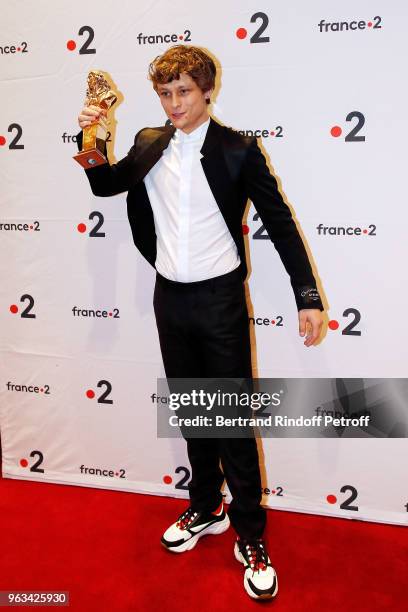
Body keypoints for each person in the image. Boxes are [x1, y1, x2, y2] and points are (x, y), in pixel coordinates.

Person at [76, 45, 324, 600]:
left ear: (206, 90)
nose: (173, 105)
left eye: (183, 92)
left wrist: (307, 296)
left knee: (233, 421)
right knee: (192, 412)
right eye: (164, 95)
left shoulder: (239, 149)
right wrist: (91, 137)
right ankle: (205, 507)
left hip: (220, 301)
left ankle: (252, 536)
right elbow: (102, 185)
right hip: (171, 298)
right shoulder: (147, 142)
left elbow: (281, 224)